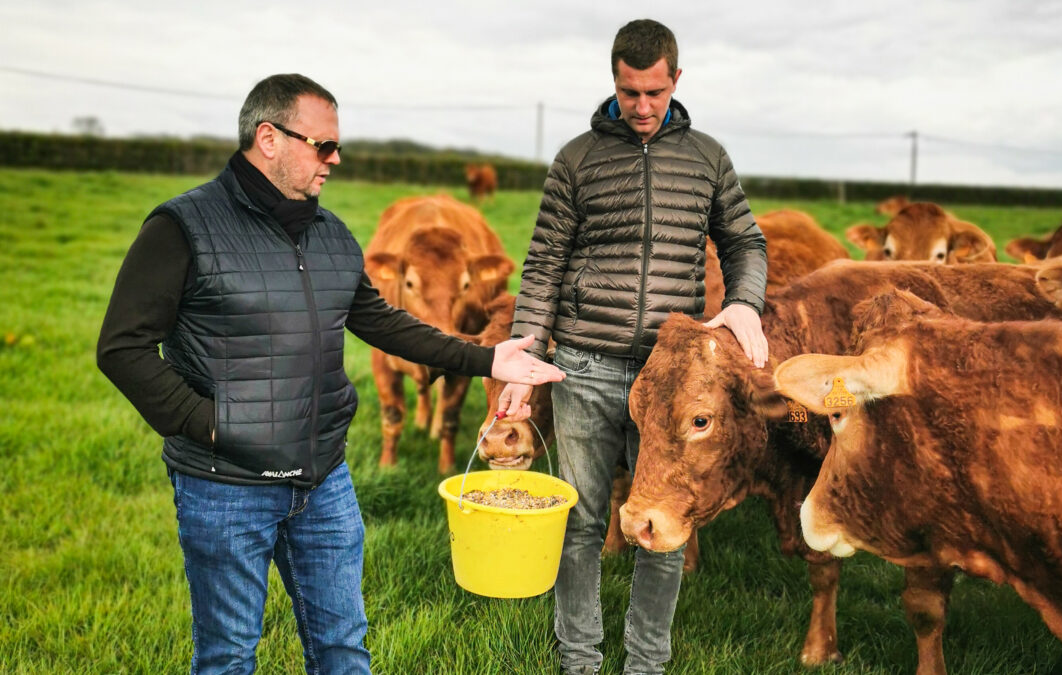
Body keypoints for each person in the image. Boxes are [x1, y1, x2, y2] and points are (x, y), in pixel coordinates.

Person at [97, 73, 563, 674]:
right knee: (229, 656)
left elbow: (382, 322)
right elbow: (122, 348)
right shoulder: (182, 228)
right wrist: (208, 425)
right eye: (322, 145)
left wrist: (487, 357)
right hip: (225, 485)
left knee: (343, 648)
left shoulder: (331, 235)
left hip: (323, 483)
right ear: (269, 138)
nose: (335, 159)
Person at [499, 20, 769, 675]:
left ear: (676, 80)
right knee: (583, 522)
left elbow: (745, 242)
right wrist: (521, 357)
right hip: (584, 365)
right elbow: (544, 262)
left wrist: (744, 303)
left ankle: (647, 662)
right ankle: (580, 659)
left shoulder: (706, 156)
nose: (642, 107)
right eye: (628, 92)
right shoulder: (577, 159)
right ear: (613, 81)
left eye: (653, 92)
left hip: (669, 377)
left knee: (664, 525)